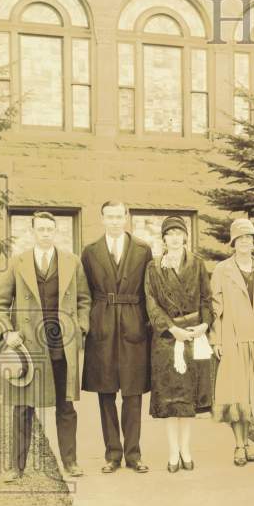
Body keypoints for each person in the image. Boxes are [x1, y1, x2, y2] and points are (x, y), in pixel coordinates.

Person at [0, 211, 91, 481]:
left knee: (66, 406)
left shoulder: (72, 262)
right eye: (41, 229)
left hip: (61, 345)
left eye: (50, 229)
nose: (46, 234)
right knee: (23, 407)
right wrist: (7, 333)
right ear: (33, 232)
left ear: (55, 232)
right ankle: (16, 466)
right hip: (29, 348)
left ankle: (70, 462)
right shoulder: (18, 263)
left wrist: (80, 327)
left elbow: (84, 300)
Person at [81, 201, 153, 474]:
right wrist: (90, 323)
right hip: (103, 325)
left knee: (133, 393)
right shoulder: (90, 252)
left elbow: (149, 292)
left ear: (126, 218)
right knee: (106, 392)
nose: (114, 221)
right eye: (109, 217)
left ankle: (134, 454)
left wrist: (146, 325)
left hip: (134, 323)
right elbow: (84, 293)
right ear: (102, 219)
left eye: (118, 216)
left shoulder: (143, 250)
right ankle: (112, 454)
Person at [210, 218, 254, 467]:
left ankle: (247, 444)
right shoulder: (222, 271)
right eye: (240, 239)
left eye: (249, 239)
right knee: (235, 394)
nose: (245, 243)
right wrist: (216, 339)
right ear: (233, 243)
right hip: (233, 339)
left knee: (252, 395)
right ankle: (238, 447)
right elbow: (215, 308)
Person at [144, 216, 213, 472]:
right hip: (167, 339)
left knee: (188, 401)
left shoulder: (197, 264)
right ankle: (173, 452)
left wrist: (204, 325)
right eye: (169, 234)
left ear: (185, 237)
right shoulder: (153, 268)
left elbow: (207, 299)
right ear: (163, 239)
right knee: (171, 401)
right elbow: (151, 302)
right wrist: (172, 329)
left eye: (178, 233)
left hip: (194, 335)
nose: (174, 238)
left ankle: (186, 449)